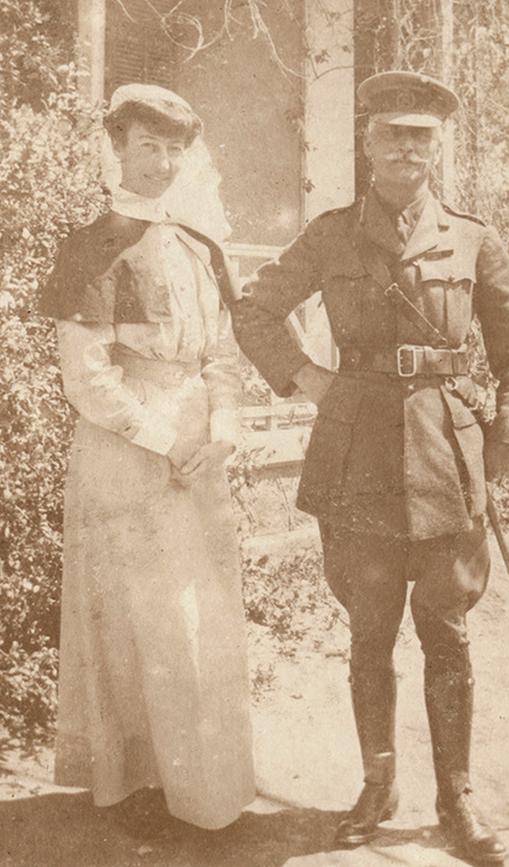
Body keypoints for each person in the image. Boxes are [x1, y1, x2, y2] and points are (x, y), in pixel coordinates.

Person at [231, 71, 509, 863]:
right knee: (369, 631)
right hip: (358, 456)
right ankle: (378, 785)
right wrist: (307, 377)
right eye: (393, 134)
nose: (409, 147)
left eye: (423, 136)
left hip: (448, 455)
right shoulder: (332, 235)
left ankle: (458, 794)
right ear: (368, 142)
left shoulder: (473, 238)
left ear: (438, 147)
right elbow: (256, 309)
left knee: (446, 629)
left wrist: (508, 436)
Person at [40, 84, 255, 834]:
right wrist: (164, 439)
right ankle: (135, 783)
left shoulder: (200, 247)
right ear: (118, 149)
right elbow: (85, 375)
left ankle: (201, 783)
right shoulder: (93, 245)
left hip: (201, 444)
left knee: (200, 617)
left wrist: (223, 422)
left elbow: (223, 351)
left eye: (173, 148)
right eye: (146, 146)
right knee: (140, 620)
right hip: (127, 446)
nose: (161, 162)